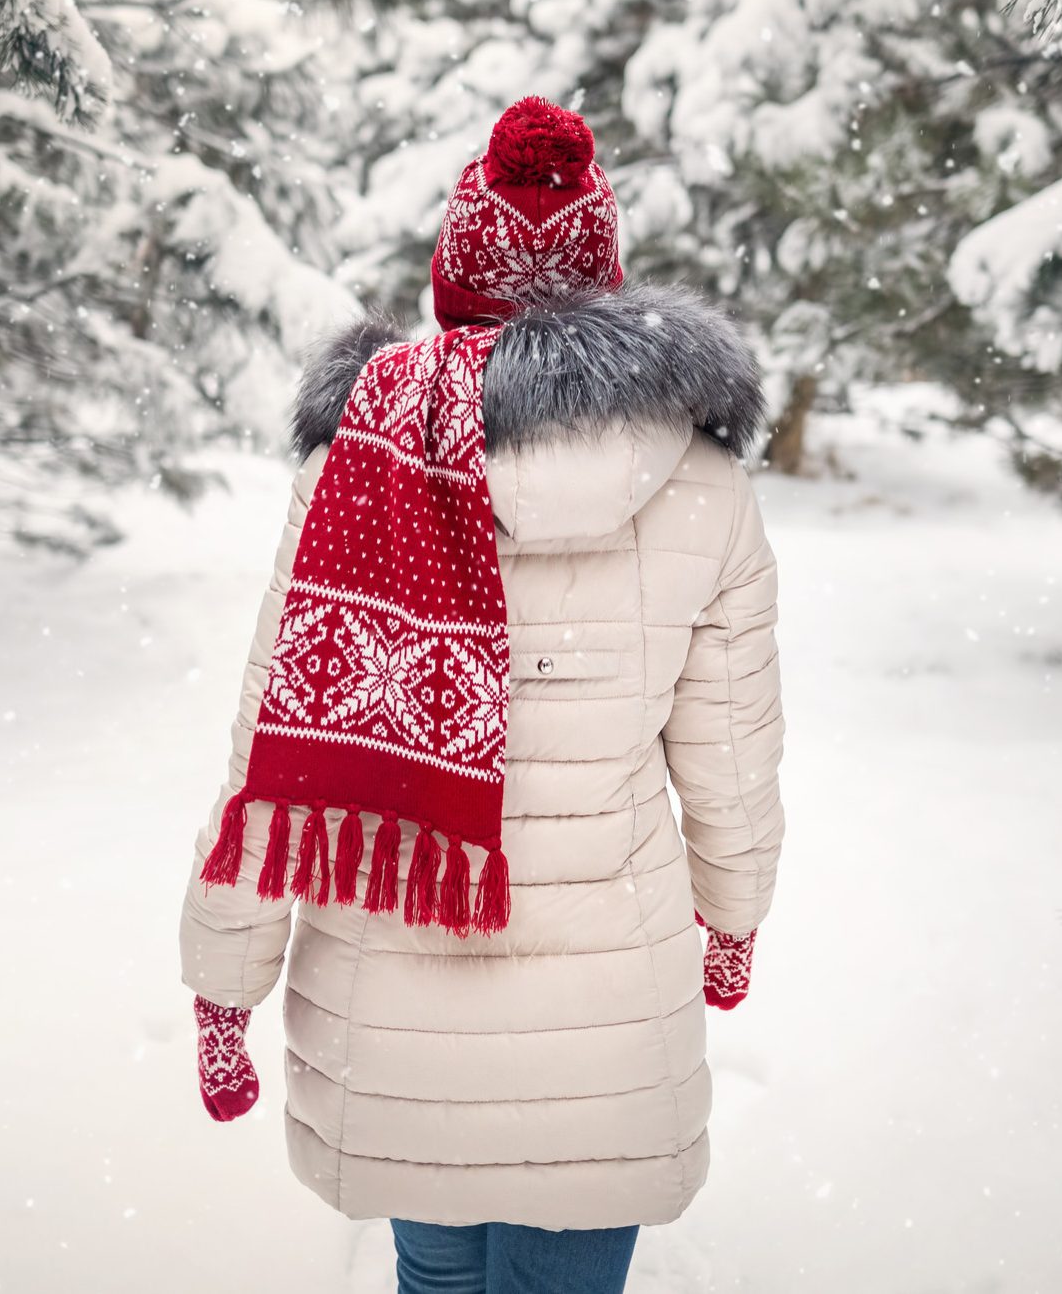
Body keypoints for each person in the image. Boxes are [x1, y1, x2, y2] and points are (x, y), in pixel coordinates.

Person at [179, 97, 787, 1294]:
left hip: (392, 1006)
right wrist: (732, 916)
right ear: (603, 287)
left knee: (438, 1275)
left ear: (455, 275)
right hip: (606, 1006)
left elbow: (272, 757)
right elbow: (729, 758)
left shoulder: (356, 461)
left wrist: (223, 972)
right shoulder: (705, 483)